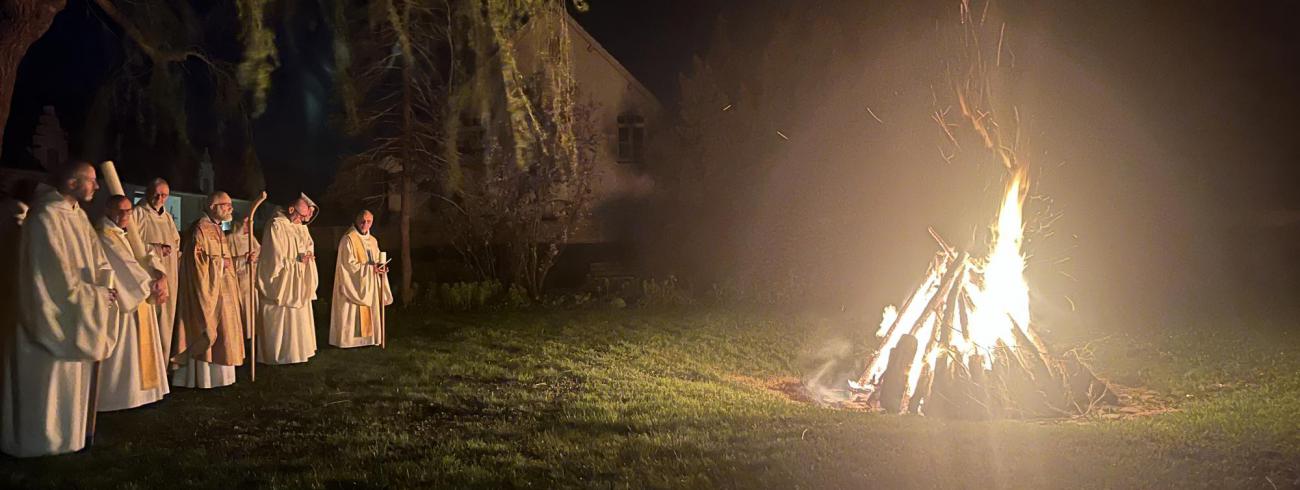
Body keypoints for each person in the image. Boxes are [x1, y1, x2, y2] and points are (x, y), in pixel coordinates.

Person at [1, 161, 120, 457]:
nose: (97, 186)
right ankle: (41, 443)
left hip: (77, 312)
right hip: (50, 319)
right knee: (47, 387)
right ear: (71, 183)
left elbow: (97, 259)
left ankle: (71, 437)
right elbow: (52, 278)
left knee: (71, 383)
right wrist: (94, 295)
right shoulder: (45, 217)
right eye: (91, 180)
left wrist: (105, 284)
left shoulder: (77, 215)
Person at [96, 195, 170, 411]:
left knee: (140, 349)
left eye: (128, 211)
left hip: (138, 295)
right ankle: (121, 396)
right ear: (108, 210)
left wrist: (159, 272)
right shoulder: (104, 236)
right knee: (125, 349)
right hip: (124, 300)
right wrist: (151, 285)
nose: (125, 215)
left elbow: (144, 252)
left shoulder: (124, 233)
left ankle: (143, 393)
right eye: (120, 211)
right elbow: (125, 265)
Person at [172, 192, 244, 389]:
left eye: (230, 204)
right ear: (213, 206)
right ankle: (203, 377)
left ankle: (223, 376)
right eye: (226, 204)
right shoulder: (200, 229)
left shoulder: (217, 228)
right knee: (208, 325)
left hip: (223, 288)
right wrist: (220, 264)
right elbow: (196, 263)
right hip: (207, 290)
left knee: (225, 329)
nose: (230, 208)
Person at [257, 194, 319, 364]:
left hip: (298, 278)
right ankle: (280, 354)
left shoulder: (301, 228)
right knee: (282, 316)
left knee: (299, 317)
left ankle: (299, 352)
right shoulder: (276, 226)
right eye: (300, 216)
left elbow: (308, 246)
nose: (301, 221)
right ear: (291, 209)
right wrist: (296, 261)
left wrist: (307, 257)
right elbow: (273, 257)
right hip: (283, 281)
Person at [132, 178, 181, 361]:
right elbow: (131, 244)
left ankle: (164, 364)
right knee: (149, 320)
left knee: (166, 321)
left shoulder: (167, 218)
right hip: (149, 275)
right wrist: (156, 249)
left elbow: (176, 242)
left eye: (164, 195)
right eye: (157, 194)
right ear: (148, 192)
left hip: (170, 274)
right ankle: (147, 363)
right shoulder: (137, 214)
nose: (160, 199)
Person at [329, 210, 392, 348]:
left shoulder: (373, 241)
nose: (365, 224)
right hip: (353, 285)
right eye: (363, 221)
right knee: (352, 310)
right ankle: (351, 341)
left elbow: (377, 259)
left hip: (369, 283)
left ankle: (368, 339)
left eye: (369, 221)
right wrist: (370, 269)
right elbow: (347, 266)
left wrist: (381, 268)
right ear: (357, 220)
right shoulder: (348, 239)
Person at [228, 215, 260, 340]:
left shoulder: (252, 239)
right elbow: (228, 262)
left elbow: (260, 254)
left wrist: (255, 259)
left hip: (252, 280)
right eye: (246, 223)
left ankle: (254, 337)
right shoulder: (230, 239)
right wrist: (243, 259)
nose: (248, 226)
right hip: (239, 282)